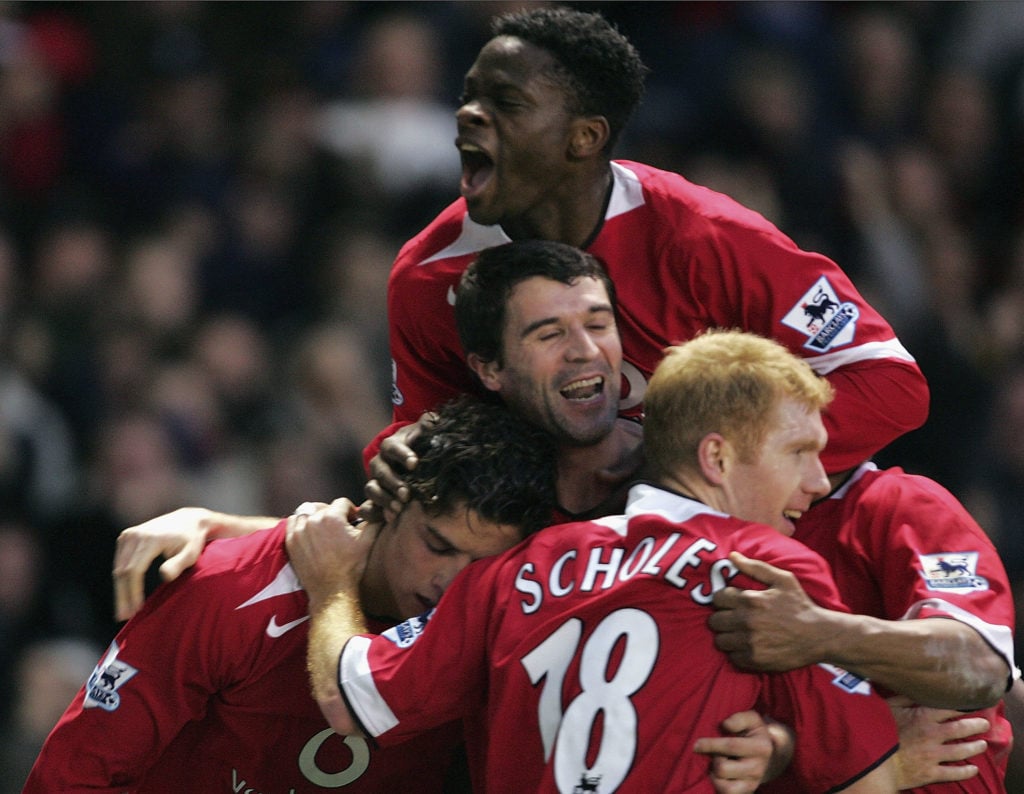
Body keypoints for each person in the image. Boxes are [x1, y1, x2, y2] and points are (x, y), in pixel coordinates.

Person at [289, 329, 901, 792]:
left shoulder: (515, 568)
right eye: (799, 451)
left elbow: (351, 697)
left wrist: (330, 586)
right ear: (716, 458)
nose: (819, 480)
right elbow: (861, 775)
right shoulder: (768, 570)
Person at [380, 4, 928, 482]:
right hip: (545, 562)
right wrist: (399, 455)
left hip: (732, 537)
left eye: (507, 102)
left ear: (585, 137)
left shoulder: (705, 236)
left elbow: (888, 382)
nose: (468, 114)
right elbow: (424, 437)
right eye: (470, 96)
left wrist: (705, 466)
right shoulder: (428, 275)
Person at [23, 397, 560, 793]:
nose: (452, 583)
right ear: (389, 506)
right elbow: (71, 775)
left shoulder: (493, 629)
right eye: (437, 544)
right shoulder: (228, 587)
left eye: (482, 566)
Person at [709, 461, 1018, 792]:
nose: (817, 479)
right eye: (798, 451)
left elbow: (982, 671)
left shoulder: (899, 501)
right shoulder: (689, 546)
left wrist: (818, 633)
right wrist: (867, 754)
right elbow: (687, 751)